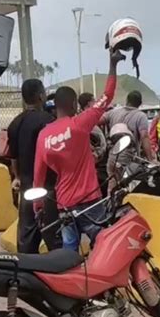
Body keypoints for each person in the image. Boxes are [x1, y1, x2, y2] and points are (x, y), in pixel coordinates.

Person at [34, 49, 124, 251]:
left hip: (64, 204)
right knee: (103, 247)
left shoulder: (43, 136)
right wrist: (113, 65)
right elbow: (107, 96)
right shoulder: (79, 124)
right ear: (74, 104)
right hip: (90, 201)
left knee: (69, 251)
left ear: (55, 106)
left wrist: (38, 207)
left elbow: (38, 177)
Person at [8, 79, 61, 253]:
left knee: (26, 237)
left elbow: (13, 156)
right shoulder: (49, 120)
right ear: (40, 96)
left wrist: (17, 177)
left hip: (26, 186)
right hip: (48, 186)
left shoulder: (15, 123)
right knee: (54, 235)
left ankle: (26, 272)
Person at [100, 90, 155, 192]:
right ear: (140, 103)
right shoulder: (141, 116)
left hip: (112, 156)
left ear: (127, 100)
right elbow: (144, 137)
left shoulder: (113, 112)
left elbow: (97, 120)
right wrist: (150, 159)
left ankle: (110, 205)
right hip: (129, 159)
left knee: (112, 186)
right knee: (128, 189)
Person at [78, 92, 107, 164]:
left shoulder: (87, 118)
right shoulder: (85, 119)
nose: (96, 102)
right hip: (94, 160)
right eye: (94, 101)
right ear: (89, 103)